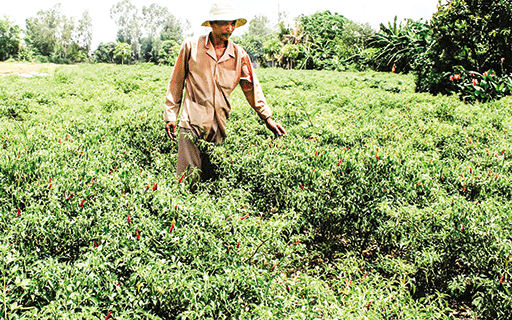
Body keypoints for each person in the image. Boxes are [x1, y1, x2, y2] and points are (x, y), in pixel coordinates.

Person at [163, 2, 287, 185]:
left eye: (232, 24)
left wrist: (267, 117)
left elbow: (251, 87)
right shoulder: (191, 46)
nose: (229, 29)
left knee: (213, 181)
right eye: (223, 23)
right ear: (212, 24)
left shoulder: (238, 54)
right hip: (192, 121)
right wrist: (171, 115)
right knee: (188, 180)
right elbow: (176, 82)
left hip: (219, 125)